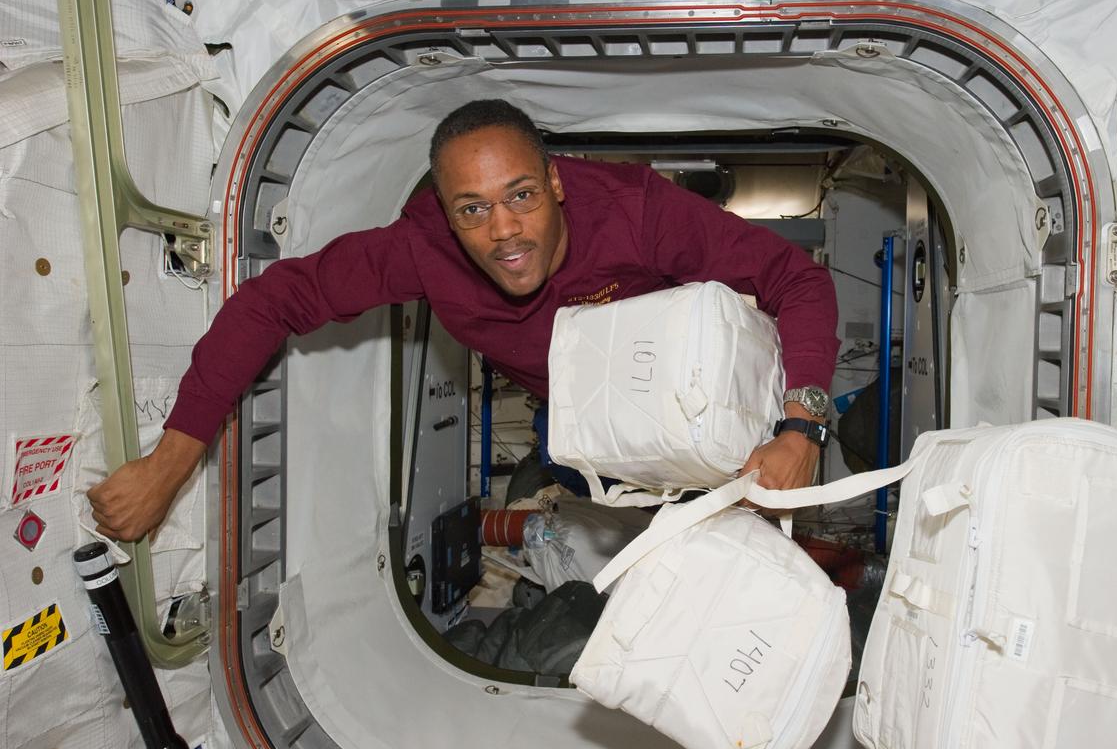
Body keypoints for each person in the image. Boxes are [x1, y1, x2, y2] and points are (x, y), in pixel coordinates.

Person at [88, 100, 839, 542]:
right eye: (472, 209)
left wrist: (801, 426)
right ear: (446, 215)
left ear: (554, 182)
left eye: (522, 196)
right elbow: (272, 299)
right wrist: (170, 462)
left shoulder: (637, 212)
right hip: (586, 429)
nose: (505, 230)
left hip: (714, 404)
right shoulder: (423, 249)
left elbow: (797, 280)